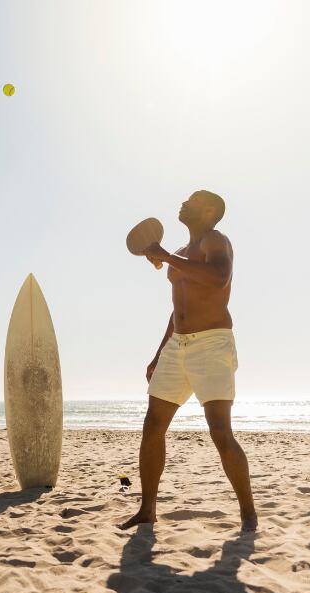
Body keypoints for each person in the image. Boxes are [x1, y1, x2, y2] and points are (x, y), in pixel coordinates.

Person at [119, 190, 257, 532]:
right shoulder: (180, 252)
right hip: (177, 346)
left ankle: (248, 513)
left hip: (212, 344)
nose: (183, 202)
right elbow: (178, 306)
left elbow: (217, 278)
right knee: (152, 427)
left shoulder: (216, 240)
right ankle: (148, 509)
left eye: (192, 199)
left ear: (209, 210)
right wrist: (159, 352)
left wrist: (165, 256)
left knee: (220, 431)